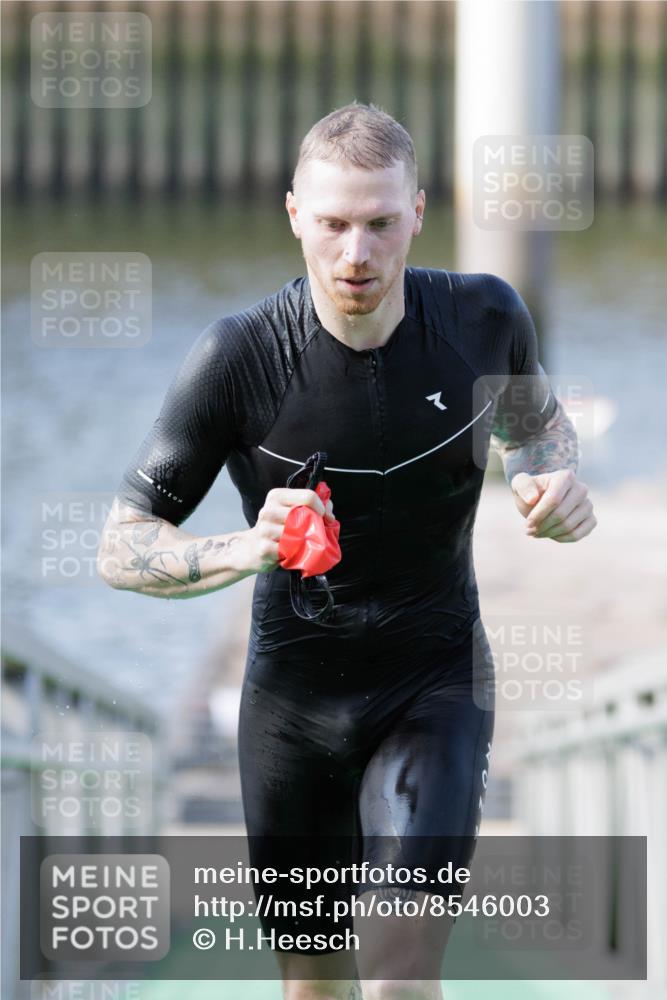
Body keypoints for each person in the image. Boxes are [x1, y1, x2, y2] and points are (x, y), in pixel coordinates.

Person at [98, 103, 596, 1000]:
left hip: (435, 682)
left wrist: (550, 481)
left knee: (400, 977)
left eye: (378, 223)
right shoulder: (237, 358)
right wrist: (248, 547)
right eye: (331, 224)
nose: (355, 255)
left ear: (418, 212)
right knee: (315, 986)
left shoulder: (484, 318)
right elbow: (121, 546)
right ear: (294, 214)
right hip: (294, 704)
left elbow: (537, 431)